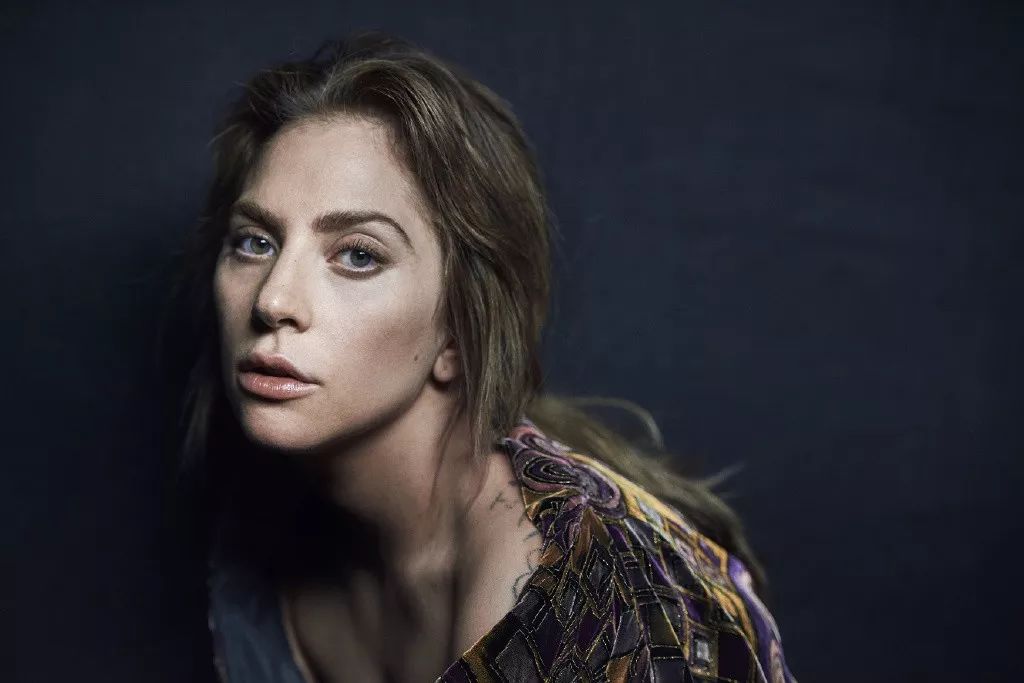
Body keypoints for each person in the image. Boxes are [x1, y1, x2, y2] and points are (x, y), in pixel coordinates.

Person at [160, 30, 798, 683]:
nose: (273, 300)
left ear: (459, 329)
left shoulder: (580, 604)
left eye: (357, 255)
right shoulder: (264, 537)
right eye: (255, 242)